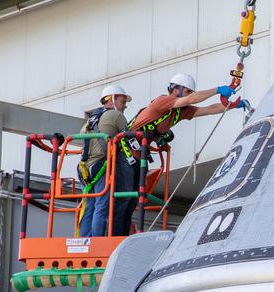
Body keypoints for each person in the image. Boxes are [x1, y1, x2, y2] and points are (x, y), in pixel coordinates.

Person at [111, 72, 237, 236]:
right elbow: (193, 99)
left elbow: (207, 110)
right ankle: (114, 235)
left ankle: (121, 235)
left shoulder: (180, 111)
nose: (190, 95)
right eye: (187, 92)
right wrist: (218, 89)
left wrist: (230, 105)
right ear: (176, 90)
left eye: (191, 92)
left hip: (138, 156)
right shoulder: (163, 101)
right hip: (126, 153)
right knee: (125, 197)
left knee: (132, 200)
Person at [76, 84, 131, 237]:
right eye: (122, 101)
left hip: (84, 168)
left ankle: (85, 240)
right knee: (102, 205)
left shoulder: (90, 120)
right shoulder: (117, 116)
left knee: (89, 205)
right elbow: (128, 138)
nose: (125, 106)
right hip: (101, 166)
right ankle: (97, 241)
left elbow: (81, 139)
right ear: (111, 99)